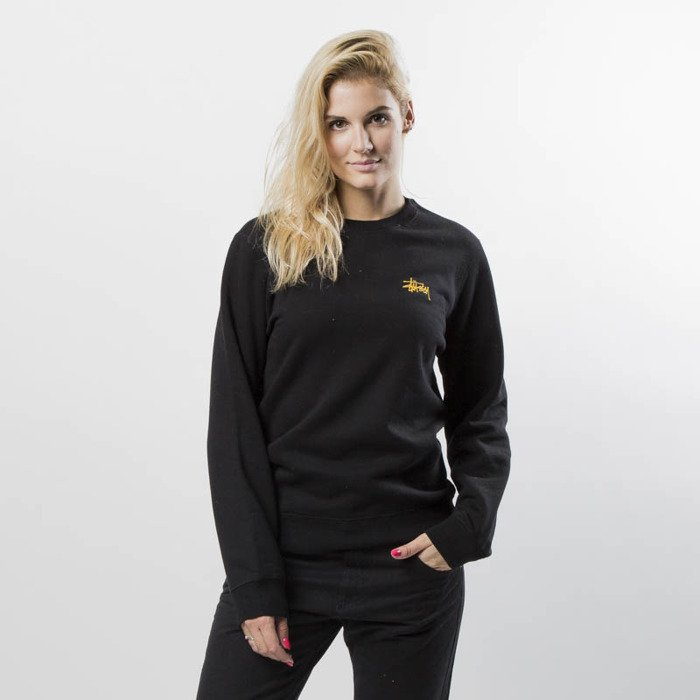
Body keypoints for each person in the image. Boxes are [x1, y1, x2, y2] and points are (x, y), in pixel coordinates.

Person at [196, 29, 511, 700]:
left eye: (377, 118)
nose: (361, 142)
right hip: (287, 564)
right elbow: (233, 426)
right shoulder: (266, 248)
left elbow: (480, 407)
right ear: (319, 132)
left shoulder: (452, 254)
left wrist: (471, 521)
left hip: (410, 564)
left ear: (407, 115)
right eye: (338, 124)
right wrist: (254, 582)